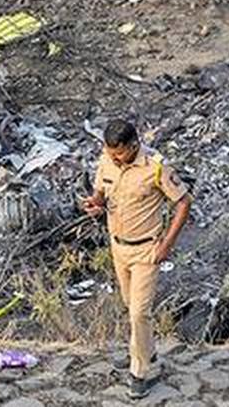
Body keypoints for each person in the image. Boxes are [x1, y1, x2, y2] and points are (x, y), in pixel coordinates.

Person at [81, 119, 192, 400]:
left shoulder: (155, 167)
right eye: (110, 153)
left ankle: (140, 372)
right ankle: (146, 351)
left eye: (119, 153)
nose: (114, 158)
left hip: (146, 250)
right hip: (118, 247)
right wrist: (95, 203)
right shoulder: (106, 160)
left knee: (139, 312)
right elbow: (101, 192)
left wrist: (166, 244)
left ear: (133, 146)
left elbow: (183, 202)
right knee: (131, 306)